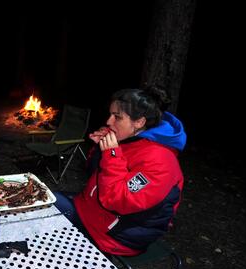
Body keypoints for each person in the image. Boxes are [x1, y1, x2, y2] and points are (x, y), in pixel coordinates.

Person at [55, 87, 186, 256]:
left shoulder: (161, 161)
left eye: (117, 117)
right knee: (44, 200)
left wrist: (111, 153)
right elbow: (97, 177)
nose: (109, 121)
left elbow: (117, 201)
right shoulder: (133, 139)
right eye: (110, 114)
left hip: (116, 235)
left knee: (44, 211)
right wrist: (101, 149)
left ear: (139, 122)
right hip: (93, 212)